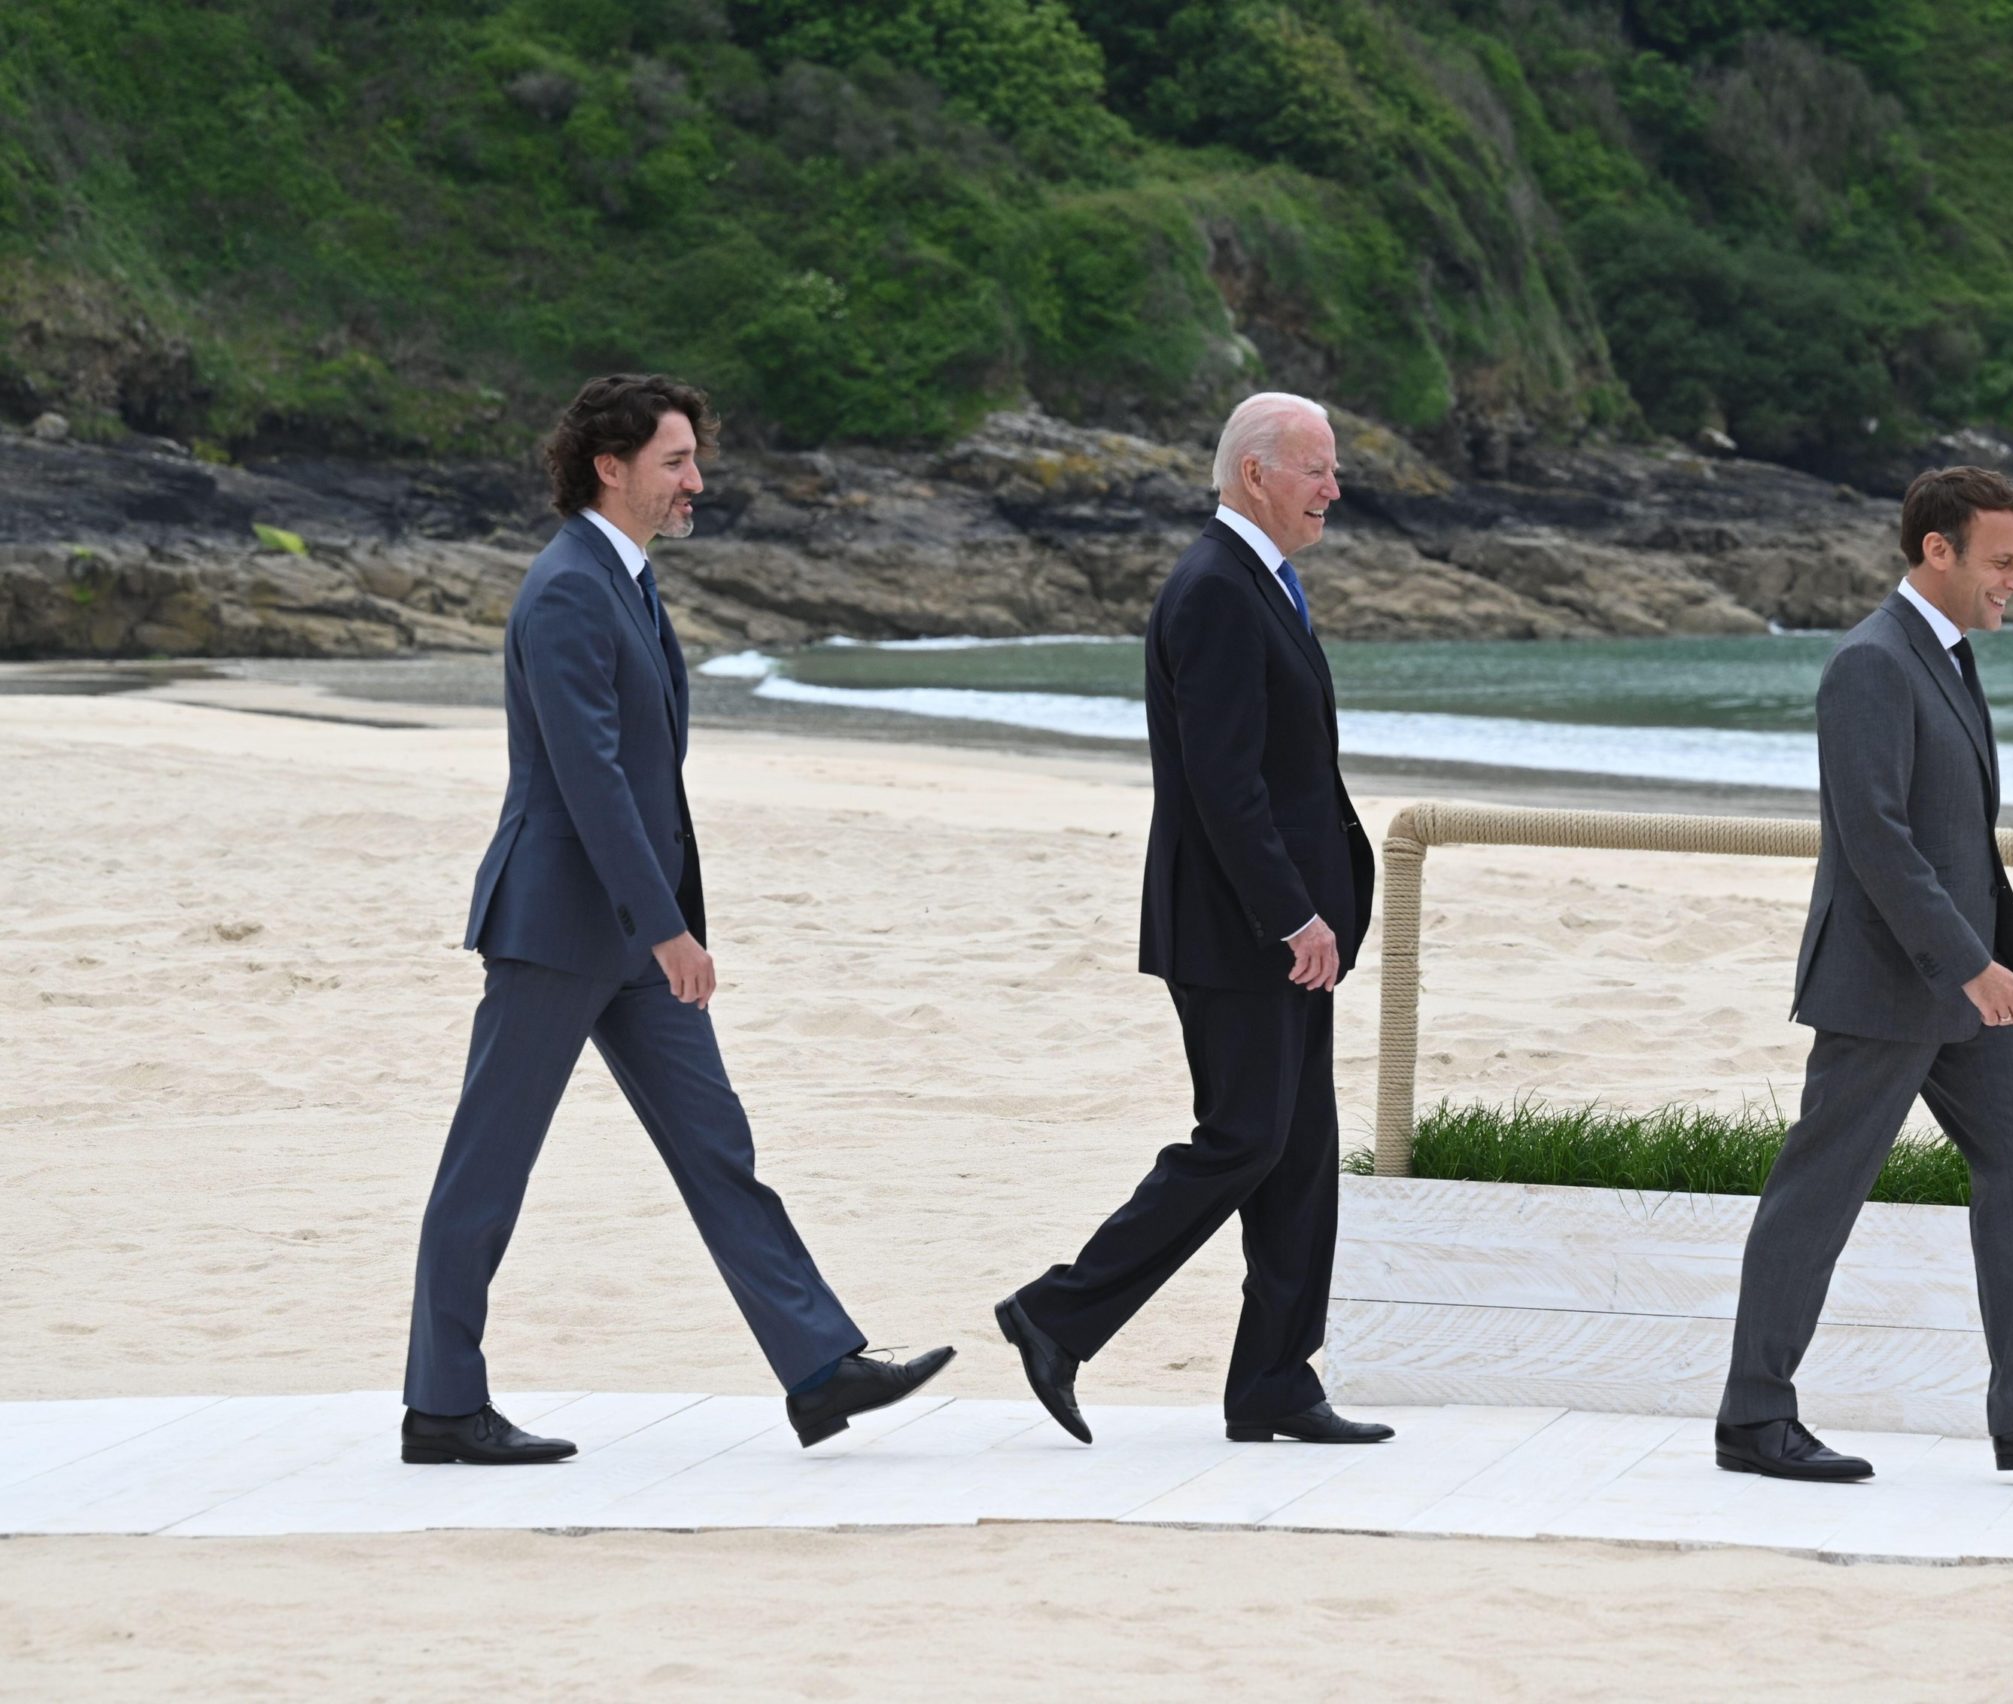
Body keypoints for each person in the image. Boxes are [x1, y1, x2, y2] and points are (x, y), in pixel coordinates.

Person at [399, 374, 951, 1465]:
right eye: (674, 461)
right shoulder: (566, 588)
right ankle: (443, 1408)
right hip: (562, 926)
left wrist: (659, 927)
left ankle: (818, 1369)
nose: (695, 480)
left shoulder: (627, 582)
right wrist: (668, 926)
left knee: (717, 1150)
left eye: (694, 459)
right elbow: (590, 778)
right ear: (610, 467)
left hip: (633, 932)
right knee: (488, 1169)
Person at [1713, 465, 2013, 1481]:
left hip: (1964, 987)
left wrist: (1986, 963)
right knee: (1819, 1192)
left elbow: (1954, 834)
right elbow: (1874, 839)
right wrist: (1968, 963)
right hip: (1889, 984)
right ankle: (1753, 1418)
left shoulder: (1944, 656)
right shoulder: (1870, 663)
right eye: (2001, 563)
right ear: (1937, 551)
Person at [994, 391, 1390, 1446]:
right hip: (1240, 929)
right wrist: (1292, 915)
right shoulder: (1216, 587)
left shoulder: (1261, 580)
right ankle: (1057, 1314)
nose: (1332, 490)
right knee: (1244, 1139)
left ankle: (1275, 1380)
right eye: (1316, 469)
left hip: (1282, 930)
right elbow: (1225, 786)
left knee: (1300, 1153)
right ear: (1256, 474)